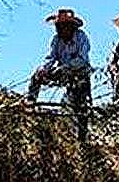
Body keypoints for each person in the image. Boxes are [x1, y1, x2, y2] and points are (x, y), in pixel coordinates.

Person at [27, 8, 92, 141]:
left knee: (81, 107)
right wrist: (43, 69)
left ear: (71, 26)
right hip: (61, 72)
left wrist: (64, 67)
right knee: (36, 76)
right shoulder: (56, 39)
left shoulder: (82, 37)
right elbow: (51, 57)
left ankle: (82, 139)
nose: (58, 29)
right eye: (57, 26)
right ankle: (30, 104)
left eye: (61, 26)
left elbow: (82, 60)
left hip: (79, 75)